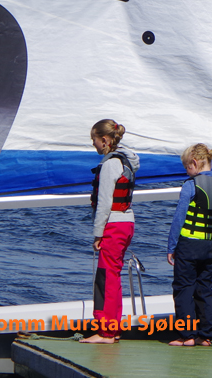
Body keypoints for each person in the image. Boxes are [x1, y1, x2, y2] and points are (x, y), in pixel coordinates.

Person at [83, 119, 139, 343]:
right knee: (113, 275)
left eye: (94, 140)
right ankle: (112, 328)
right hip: (126, 223)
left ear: (105, 140)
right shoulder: (126, 160)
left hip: (113, 225)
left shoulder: (110, 165)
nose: (93, 144)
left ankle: (105, 331)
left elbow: (105, 203)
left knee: (106, 277)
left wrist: (98, 233)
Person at [167, 143, 212, 346]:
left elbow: (179, 219)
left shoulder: (190, 185)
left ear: (194, 162)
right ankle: (206, 335)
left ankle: (187, 335)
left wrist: (171, 247)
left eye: (187, 167)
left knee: (183, 288)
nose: (186, 171)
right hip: (209, 246)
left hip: (188, 246)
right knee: (205, 288)